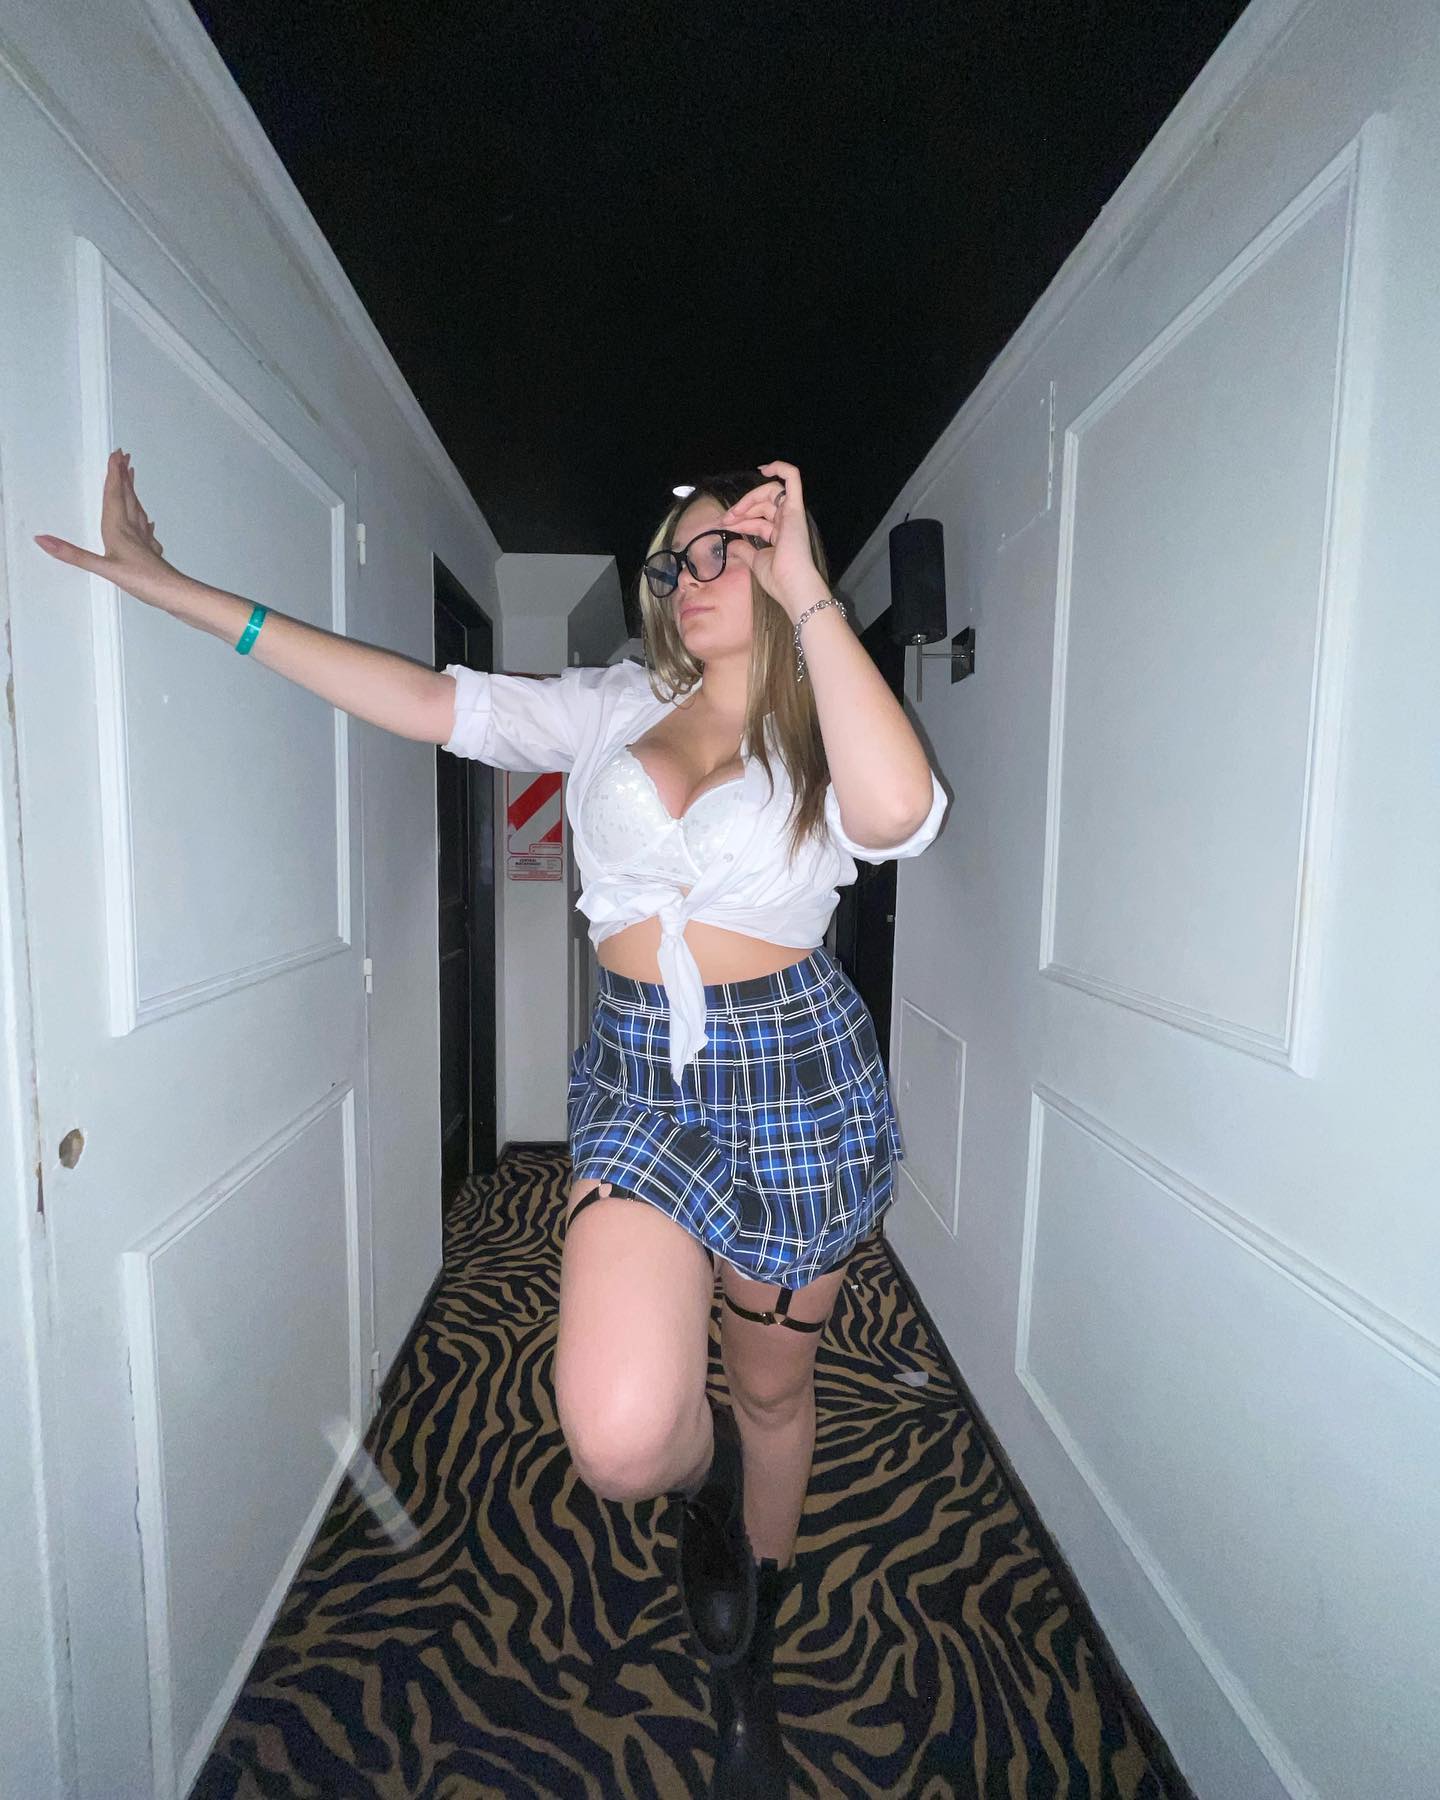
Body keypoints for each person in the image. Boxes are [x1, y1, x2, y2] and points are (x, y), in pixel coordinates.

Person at [36, 452, 947, 1797]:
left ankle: (749, 1641)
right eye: (676, 561)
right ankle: (706, 1487)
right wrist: (176, 591)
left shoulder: (829, 717)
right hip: (640, 1078)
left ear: (784, 559)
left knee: (773, 1390)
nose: (693, 576)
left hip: (796, 1081)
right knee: (624, 1433)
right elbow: (422, 698)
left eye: (729, 548)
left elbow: (899, 811)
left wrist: (809, 592)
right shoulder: (614, 707)